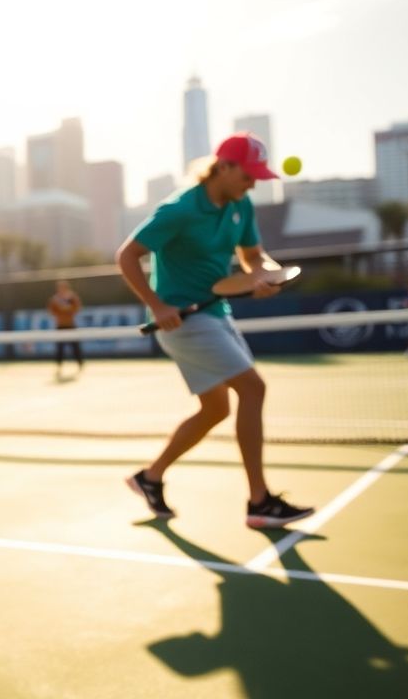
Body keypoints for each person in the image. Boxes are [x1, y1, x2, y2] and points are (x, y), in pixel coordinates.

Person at [116, 133, 315, 529]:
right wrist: (157, 305)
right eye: (248, 174)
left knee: (216, 408)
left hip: (215, 312)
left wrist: (266, 276)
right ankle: (259, 502)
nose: (254, 183)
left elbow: (253, 257)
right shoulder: (180, 210)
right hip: (183, 321)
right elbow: (127, 256)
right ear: (222, 167)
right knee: (253, 389)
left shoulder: (241, 206)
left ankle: (149, 478)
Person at [47, 279, 84, 375]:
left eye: (63, 287)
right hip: (60, 326)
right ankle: (59, 366)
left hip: (71, 325)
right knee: (60, 348)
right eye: (60, 287)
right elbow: (52, 311)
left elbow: (76, 308)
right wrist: (62, 310)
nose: (61, 289)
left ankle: (80, 364)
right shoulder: (55, 299)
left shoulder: (72, 297)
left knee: (75, 346)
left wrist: (67, 309)